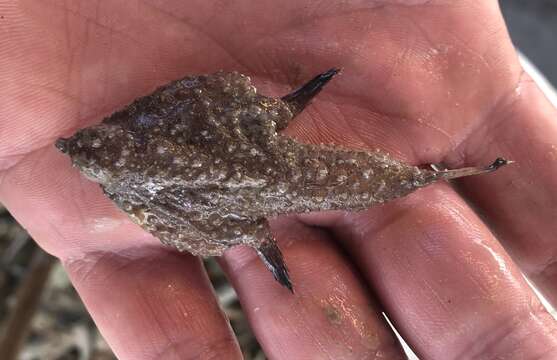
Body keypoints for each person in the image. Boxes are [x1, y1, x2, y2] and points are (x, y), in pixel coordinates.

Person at [1, 1, 556, 358]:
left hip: (292, 173)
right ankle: (450, 173)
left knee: (333, 183)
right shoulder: (154, 152)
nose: (84, 148)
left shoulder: (148, 171)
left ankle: (452, 173)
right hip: (291, 170)